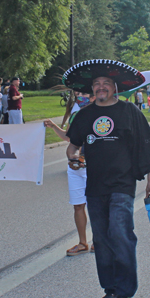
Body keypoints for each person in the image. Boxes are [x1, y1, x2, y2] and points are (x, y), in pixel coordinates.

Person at [63, 59, 150, 298]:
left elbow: (147, 147)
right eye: (96, 84)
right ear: (92, 89)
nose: (101, 87)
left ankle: (125, 291)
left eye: (106, 83)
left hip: (122, 183)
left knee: (120, 233)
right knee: (102, 240)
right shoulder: (84, 116)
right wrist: (73, 156)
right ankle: (110, 289)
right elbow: (72, 146)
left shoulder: (130, 112)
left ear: (115, 87)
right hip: (94, 185)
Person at [44, 91, 95, 256]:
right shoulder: (76, 116)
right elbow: (69, 139)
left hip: (95, 167)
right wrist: (53, 126)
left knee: (97, 206)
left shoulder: (102, 116)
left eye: (86, 93)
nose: (81, 96)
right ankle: (82, 243)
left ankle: (99, 240)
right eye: (79, 93)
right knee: (78, 205)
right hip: (76, 168)